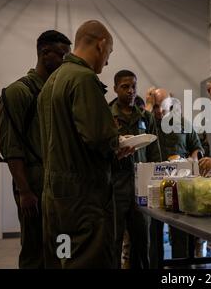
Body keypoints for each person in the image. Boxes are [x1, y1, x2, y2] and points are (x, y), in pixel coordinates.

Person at [37, 20, 134, 269]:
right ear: (101, 45)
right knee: (88, 261)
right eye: (109, 53)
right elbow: (99, 138)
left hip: (56, 197)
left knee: (63, 259)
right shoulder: (83, 79)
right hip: (84, 198)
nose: (108, 62)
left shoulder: (51, 81)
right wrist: (118, 145)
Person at [0, 30, 71, 269]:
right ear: (44, 53)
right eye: (61, 55)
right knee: (34, 252)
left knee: (62, 248)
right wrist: (24, 191)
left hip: (58, 185)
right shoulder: (18, 92)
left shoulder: (56, 92)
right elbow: (12, 148)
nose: (64, 61)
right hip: (33, 185)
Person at [145, 87, 203, 266]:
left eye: (164, 106)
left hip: (179, 186)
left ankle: (180, 270)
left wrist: (192, 161)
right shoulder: (146, 123)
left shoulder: (183, 124)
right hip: (152, 186)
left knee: (180, 234)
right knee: (153, 235)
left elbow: (197, 147)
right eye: (156, 107)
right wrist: (148, 107)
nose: (160, 111)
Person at [109, 70, 161, 269]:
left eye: (133, 87)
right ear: (115, 88)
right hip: (115, 187)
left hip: (141, 188)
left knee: (142, 243)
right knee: (113, 241)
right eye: (125, 87)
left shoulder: (146, 117)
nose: (130, 91)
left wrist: (155, 183)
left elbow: (154, 153)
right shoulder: (106, 114)